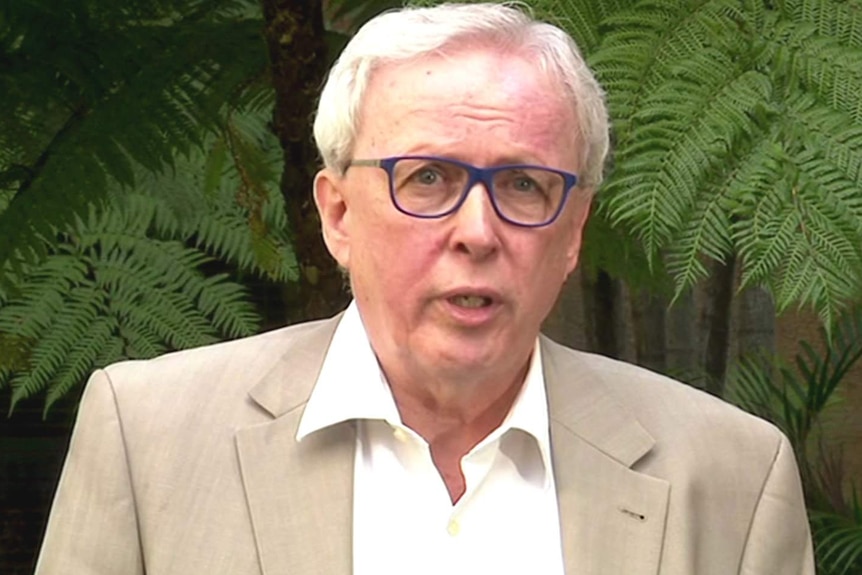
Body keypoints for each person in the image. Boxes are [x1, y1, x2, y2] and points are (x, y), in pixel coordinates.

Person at [35, 3, 814, 574]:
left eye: (524, 184)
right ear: (337, 213)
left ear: (573, 230)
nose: (478, 230)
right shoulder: (150, 442)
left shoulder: (732, 479)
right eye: (429, 176)